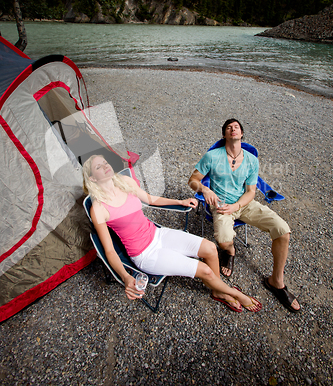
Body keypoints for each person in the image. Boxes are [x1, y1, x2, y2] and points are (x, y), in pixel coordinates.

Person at [82, 154, 262, 313]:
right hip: (146, 254)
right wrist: (126, 277)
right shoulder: (99, 208)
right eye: (99, 166)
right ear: (92, 178)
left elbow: (150, 199)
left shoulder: (125, 182)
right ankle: (234, 292)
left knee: (210, 249)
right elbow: (109, 251)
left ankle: (218, 290)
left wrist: (180, 201)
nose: (106, 166)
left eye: (105, 162)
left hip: (158, 234)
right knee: (205, 271)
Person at [188, 118, 300, 313]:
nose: (233, 129)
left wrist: (237, 206)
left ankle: (276, 281)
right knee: (223, 240)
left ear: (241, 134)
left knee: (282, 230)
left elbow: (250, 192)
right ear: (224, 135)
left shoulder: (251, 160)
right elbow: (193, 180)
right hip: (221, 205)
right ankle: (230, 251)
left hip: (244, 204)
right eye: (229, 128)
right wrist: (204, 190)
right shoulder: (212, 156)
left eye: (237, 127)